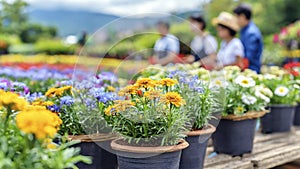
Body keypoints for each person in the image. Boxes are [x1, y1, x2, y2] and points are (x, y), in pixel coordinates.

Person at [234, 4, 263, 73]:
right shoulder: (244, 30)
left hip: (251, 70)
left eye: (237, 17)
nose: (236, 20)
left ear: (242, 17)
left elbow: (248, 57)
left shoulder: (251, 33)